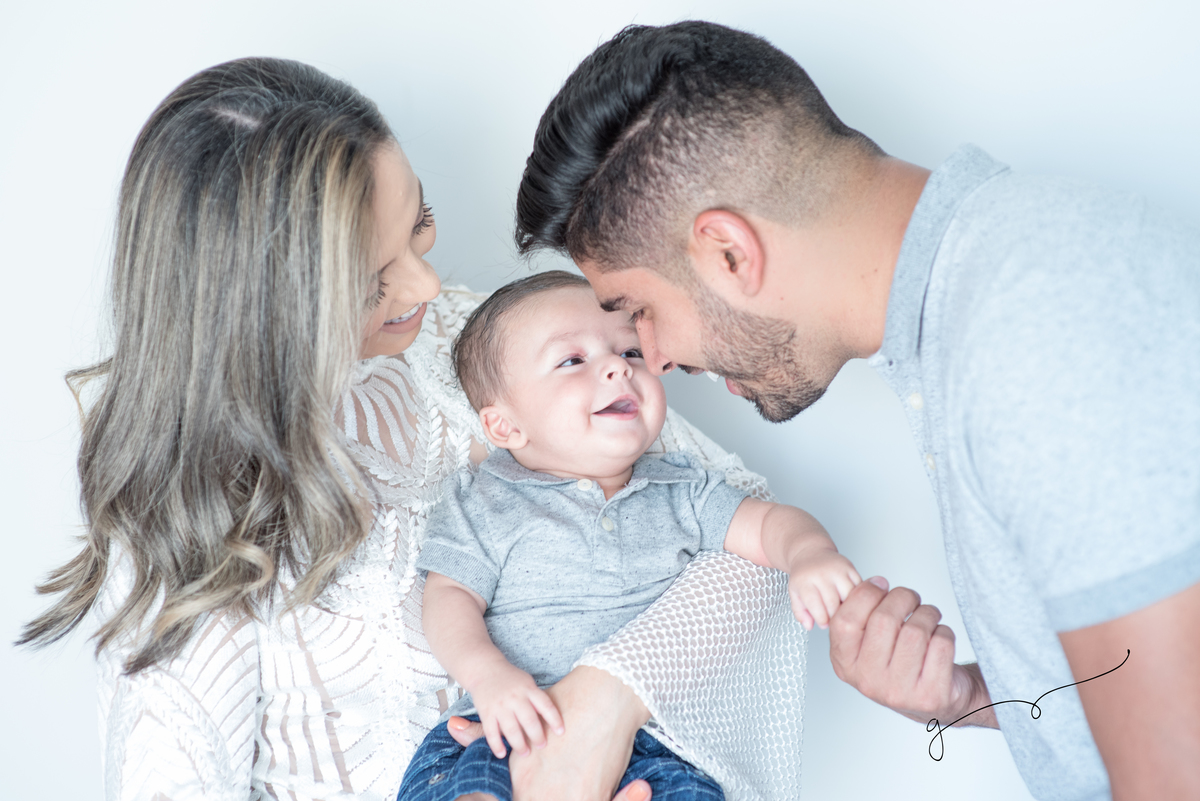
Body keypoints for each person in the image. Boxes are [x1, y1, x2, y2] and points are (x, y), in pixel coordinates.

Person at [18, 56, 808, 801]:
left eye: (419, 223)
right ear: (262, 311)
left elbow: (742, 529)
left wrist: (607, 700)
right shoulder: (188, 505)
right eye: (374, 280)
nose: (427, 283)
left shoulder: (478, 341)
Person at [512, 20, 1200, 801]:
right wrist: (966, 696)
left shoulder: (1040, 332)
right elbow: (1144, 693)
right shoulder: (990, 299)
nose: (654, 356)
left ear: (730, 252)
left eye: (639, 310)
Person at [397, 271, 854, 801]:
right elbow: (450, 597)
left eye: (631, 352)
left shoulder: (682, 490)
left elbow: (770, 524)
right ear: (506, 427)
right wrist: (488, 676)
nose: (618, 366)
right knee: (465, 787)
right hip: (507, 721)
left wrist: (809, 554)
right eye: (573, 360)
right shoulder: (487, 501)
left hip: (654, 744)